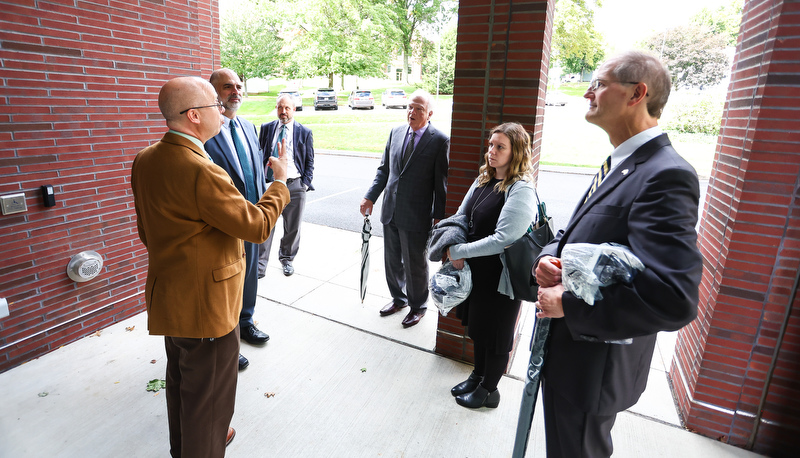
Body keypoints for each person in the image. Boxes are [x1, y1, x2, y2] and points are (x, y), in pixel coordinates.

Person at [533, 51, 702, 457]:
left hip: (592, 371)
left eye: (600, 83)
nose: (587, 93)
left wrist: (570, 307)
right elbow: (583, 233)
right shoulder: (622, 162)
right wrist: (552, 254)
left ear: (637, 94)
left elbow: (673, 298)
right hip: (571, 361)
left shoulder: (666, 175)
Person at [131, 76, 290, 457]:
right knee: (211, 398)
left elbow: (146, 231)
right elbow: (257, 226)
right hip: (208, 309)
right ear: (194, 116)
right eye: (215, 106)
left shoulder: (146, 158)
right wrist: (280, 182)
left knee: (183, 384)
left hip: (172, 299)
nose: (222, 111)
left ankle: (185, 447)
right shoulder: (203, 171)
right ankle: (204, 445)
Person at [443, 122, 537, 409]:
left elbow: (503, 239)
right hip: (477, 273)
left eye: (500, 147)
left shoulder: (521, 190)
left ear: (516, 151)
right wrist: (450, 241)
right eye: (490, 145)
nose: (491, 152)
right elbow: (461, 215)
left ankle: (490, 390)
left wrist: (460, 250)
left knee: (496, 335)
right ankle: (478, 375)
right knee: (479, 329)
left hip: (500, 278)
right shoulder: (484, 180)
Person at [360, 90, 449, 328]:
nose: (412, 112)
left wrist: (439, 217)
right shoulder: (396, 132)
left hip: (417, 215)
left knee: (415, 265)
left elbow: (442, 185)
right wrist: (370, 197)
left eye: (419, 108)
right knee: (392, 261)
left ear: (429, 113)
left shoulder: (440, 141)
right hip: (391, 210)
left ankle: (418, 306)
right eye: (410, 107)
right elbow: (384, 170)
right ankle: (398, 299)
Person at [205, 68, 269, 372]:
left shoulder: (247, 125)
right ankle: (227, 340)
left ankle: (246, 322)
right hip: (224, 223)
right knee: (227, 282)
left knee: (250, 276)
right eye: (228, 86)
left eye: (239, 86)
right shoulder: (205, 132)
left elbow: (254, 170)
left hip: (252, 217)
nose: (236, 91)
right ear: (213, 92)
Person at [258, 93, 315, 278]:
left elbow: (309, 161)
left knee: (293, 227)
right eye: (280, 107)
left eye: (287, 108)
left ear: (294, 109)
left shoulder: (304, 132)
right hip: (271, 184)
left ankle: (287, 259)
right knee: (266, 223)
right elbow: (260, 153)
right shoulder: (266, 128)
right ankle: (260, 264)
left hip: (295, 185)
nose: (283, 111)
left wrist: (304, 184)